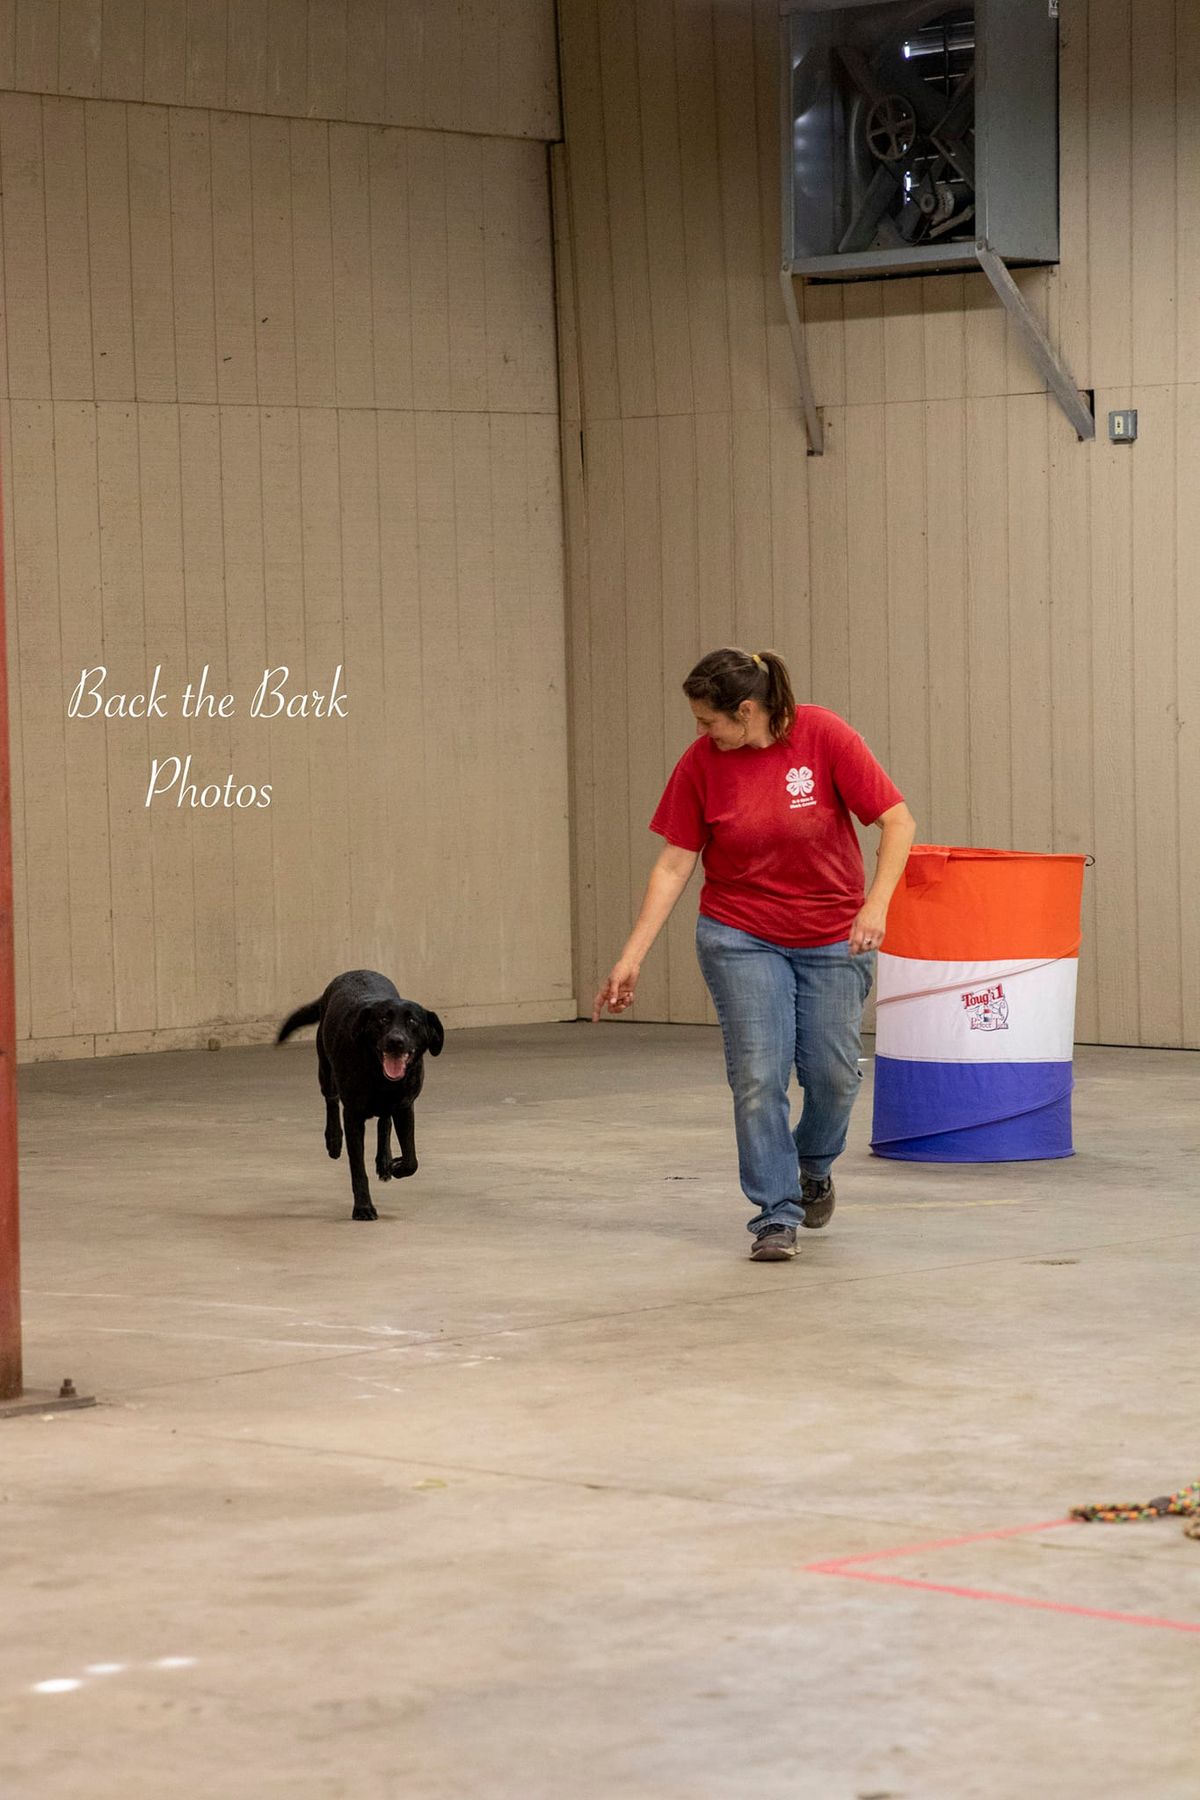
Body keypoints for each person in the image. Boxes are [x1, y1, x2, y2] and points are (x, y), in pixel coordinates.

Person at [592, 647, 916, 1262]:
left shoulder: (823, 735)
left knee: (833, 1075)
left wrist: (876, 906)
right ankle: (776, 1212)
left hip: (832, 934)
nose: (701, 733)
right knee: (759, 1077)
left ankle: (812, 1166)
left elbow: (897, 822)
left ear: (747, 710)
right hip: (739, 934)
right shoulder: (701, 764)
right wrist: (632, 955)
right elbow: (674, 860)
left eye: (709, 721)